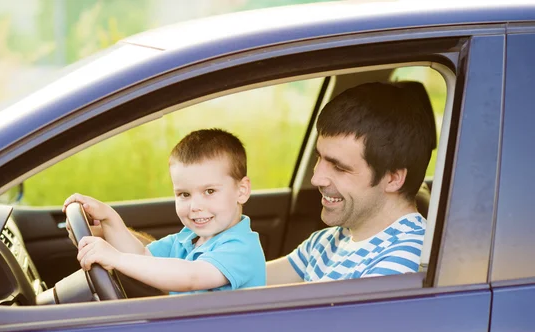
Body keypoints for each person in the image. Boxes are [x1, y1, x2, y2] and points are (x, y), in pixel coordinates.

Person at [63, 128, 266, 294]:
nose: (195, 206)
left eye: (209, 191)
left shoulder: (242, 248)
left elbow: (191, 277)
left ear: (242, 191)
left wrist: (116, 259)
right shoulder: (187, 239)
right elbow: (142, 256)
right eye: (184, 194)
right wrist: (109, 218)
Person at [267, 82, 433, 285]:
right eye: (319, 157)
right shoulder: (328, 241)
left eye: (339, 167)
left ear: (393, 178)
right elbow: (246, 284)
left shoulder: (406, 258)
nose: (316, 179)